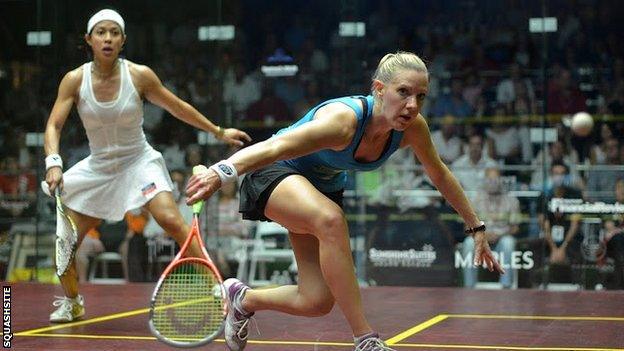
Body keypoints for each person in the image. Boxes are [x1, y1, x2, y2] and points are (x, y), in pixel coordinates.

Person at [185, 51, 504, 351]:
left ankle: (242, 299)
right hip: (275, 171)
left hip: (319, 188)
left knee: (316, 301)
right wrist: (221, 171)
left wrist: (476, 227)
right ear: (379, 89)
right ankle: (365, 339)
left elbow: (441, 175)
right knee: (332, 219)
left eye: (420, 96)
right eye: (403, 92)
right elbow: (276, 147)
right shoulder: (344, 121)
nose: (412, 105)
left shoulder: (412, 129)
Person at [43, 9, 250, 323]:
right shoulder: (74, 80)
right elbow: (54, 126)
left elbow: (177, 106)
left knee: (170, 218)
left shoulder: (139, 75)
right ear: (89, 39)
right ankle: (72, 302)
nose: (108, 38)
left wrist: (218, 131)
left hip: (139, 161)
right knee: (65, 245)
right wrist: (54, 162)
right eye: (101, 32)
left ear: (123, 40)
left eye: (114, 32)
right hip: (97, 169)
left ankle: (220, 288)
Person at [461, 167, 520, 289]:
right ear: (485, 181)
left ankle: (506, 286)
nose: (493, 183)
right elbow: (467, 227)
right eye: (490, 179)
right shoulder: (475, 200)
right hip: (480, 240)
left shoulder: (512, 201)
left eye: (495, 179)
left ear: (501, 180)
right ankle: (469, 286)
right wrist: (481, 236)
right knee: (468, 244)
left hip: (501, 240)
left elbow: (515, 228)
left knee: (508, 243)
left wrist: (499, 235)